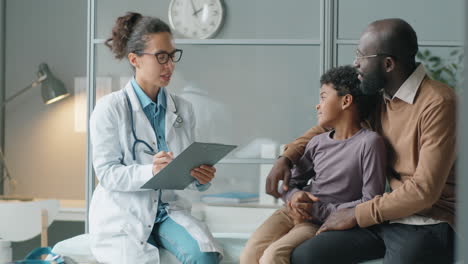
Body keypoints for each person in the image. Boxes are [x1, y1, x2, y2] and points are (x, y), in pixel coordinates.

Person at [266, 18, 456, 264]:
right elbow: (329, 125)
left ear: (388, 64)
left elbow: (424, 191)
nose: (356, 63)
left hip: (432, 221)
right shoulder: (381, 100)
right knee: (306, 255)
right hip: (386, 217)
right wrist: (287, 156)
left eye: (362, 56)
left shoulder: (439, 103)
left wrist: (356, 213)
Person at [88, 12, 222, 264]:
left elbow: (185, 169)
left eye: (172, 56)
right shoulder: (110, 108)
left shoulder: (183, 108)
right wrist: (150, 171)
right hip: (124, 214)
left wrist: (201, 178)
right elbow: (106, 173)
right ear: (134, 59)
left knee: (206, 256)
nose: (170, 65)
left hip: (167, 212)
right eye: (161, 57)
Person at [240, 65, 386, 264]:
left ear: (346, 101)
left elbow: (370, 199)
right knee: (249, 254)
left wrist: (320, 209)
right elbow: (290, 183)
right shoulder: (318, 142)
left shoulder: (370, 143)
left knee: (272, 257)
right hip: (291, 210)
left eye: (323, 97)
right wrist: (294, 196)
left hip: (319, 219)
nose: (318, 105)